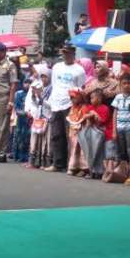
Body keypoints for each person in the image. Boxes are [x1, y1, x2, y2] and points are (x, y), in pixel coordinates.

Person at [45, 43, 86, 172]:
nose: (65, 55)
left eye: (68, 53)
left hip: (70, 104)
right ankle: (57, 163)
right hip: (56, 103)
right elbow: (54, 84)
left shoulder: (79, 69)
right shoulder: (57, 67)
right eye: (64, 53)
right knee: (56, 134)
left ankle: (71, 164)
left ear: (73, 54)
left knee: (71, 136)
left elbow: (81, 87)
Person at [79, 88, 109, 179]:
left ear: (99, 98)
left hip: (99, 133)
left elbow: (102, 121)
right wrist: (90, 114)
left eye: (93, 98)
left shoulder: (105, 108)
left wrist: (95, 115)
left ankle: (99, 171)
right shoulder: (90, 107)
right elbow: (84, 116)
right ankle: (91, 170)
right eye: (90, 98)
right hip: (90, 132)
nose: (91, 100)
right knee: (89, 151)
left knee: (99, 153)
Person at [26, 78, 51, 168]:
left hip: (47, 120)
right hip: (37, 119)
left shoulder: (51, 91)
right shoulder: (39, 94)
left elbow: (50, 105)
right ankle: (33, 161)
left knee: (44, 142)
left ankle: (44, 162)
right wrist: (34, 96)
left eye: (45, 76)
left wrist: (41, 97)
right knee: (34, 141)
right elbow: (37, 104)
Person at [65, 89, 88, 176]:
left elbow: (85, 120)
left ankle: (83, 169)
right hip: (73, 133)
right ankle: (73, 167)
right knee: (73, 150)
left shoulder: (84, 107)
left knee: (81, 150)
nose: (72, 100)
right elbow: (70, 119)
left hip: (81, 132)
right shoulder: (72, 108)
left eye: (74, 98)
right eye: (71, 98)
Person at [12, 79, 31, 163]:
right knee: (18, 137)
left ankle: (25, 156)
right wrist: (25, 113)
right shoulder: (19, 94)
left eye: (29, 83)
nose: (27, 85)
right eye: (25, 82)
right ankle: (16, 155)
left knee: (27, 138)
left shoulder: (31, 94)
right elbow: (16, 109)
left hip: (29, 120)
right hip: (20, 119)